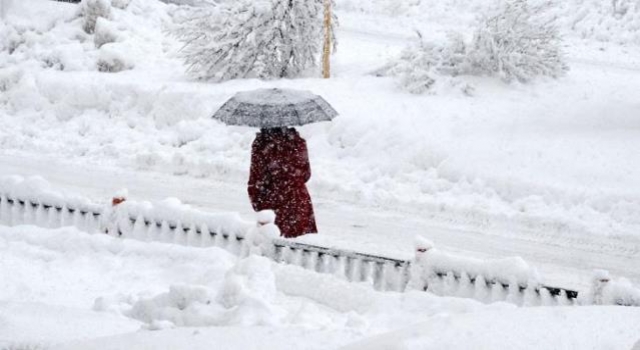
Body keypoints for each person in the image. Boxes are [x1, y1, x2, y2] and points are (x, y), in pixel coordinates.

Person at [248, 127, 317, 238]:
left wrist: (258, 203)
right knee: (302, 244)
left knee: (273, 244)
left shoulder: (262, 144)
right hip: (299, 200)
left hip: (273, 200)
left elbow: (257, 177)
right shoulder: (298, 141)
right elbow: (306, 174)